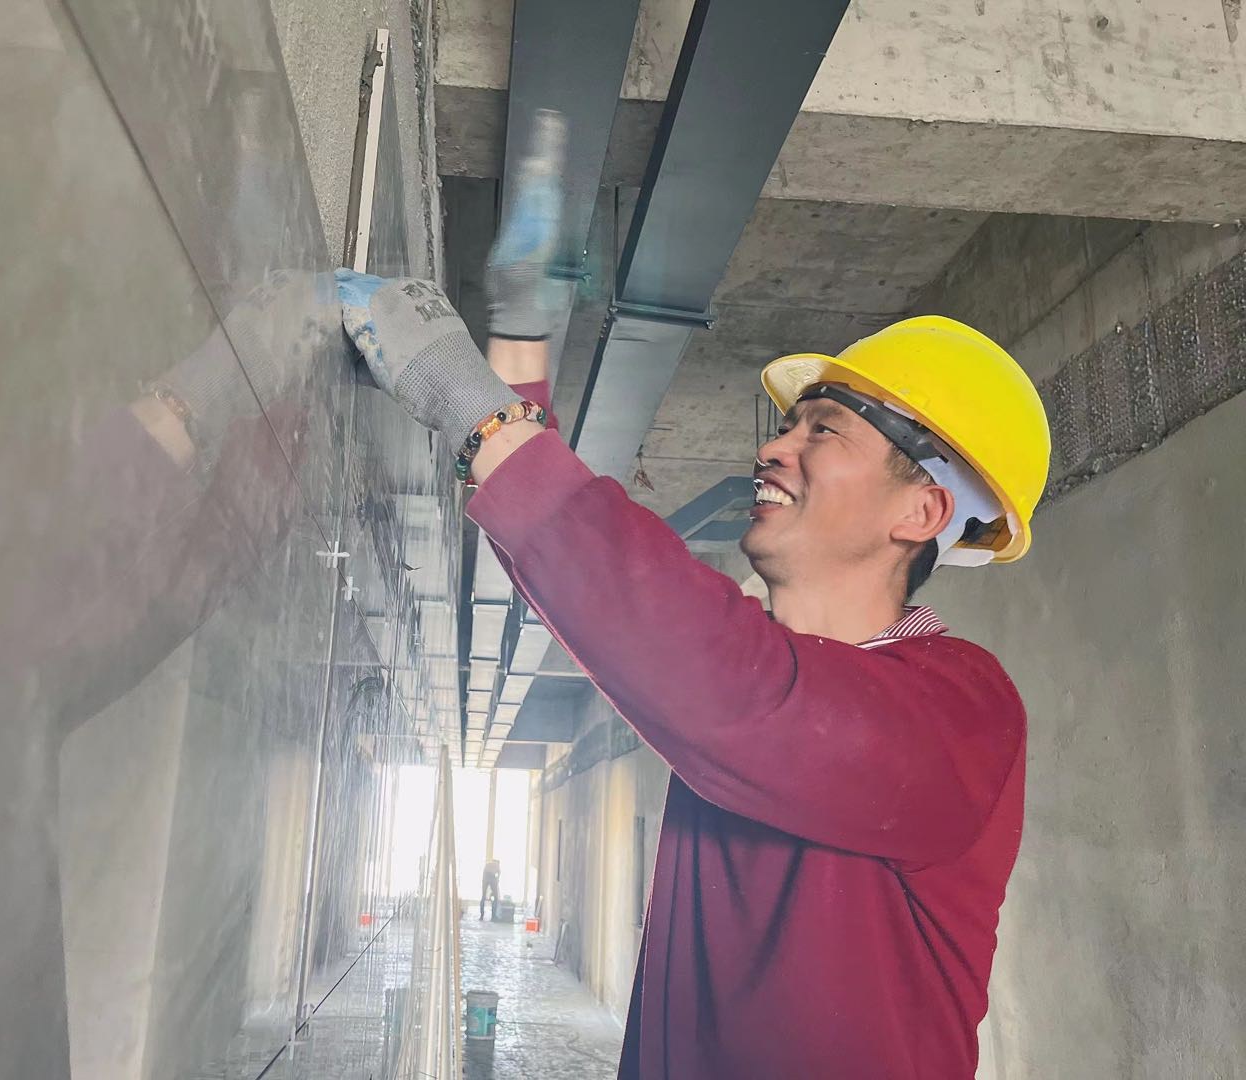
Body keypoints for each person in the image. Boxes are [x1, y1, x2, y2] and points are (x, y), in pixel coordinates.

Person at [335, 110, 1050, 1079]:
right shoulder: (744, 672)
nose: (773, 448)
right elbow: (626, 613)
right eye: (786, 425)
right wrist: (520, 343)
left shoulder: (963, 712)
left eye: (824, 431)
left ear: (922, 510)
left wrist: (477, 413)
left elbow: (725, 681)